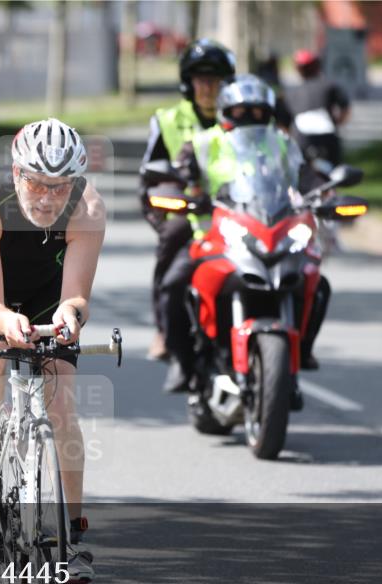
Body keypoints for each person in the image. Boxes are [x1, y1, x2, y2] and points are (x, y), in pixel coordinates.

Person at [0, 118, 106, 584]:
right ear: (16, 173)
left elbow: (76, 297)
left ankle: (71, 541)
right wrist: (1, 322)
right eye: (36, 183)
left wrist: (70, 318)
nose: (48, 198)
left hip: (47, 291)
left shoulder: (89, 208)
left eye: (61, 188)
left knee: (60, 402)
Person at [161, 75, 330, 391]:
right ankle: (182, 363)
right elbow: (176, 175)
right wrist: (180, 191)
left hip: (271, 228)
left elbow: (306, 178)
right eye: (240, 112)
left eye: (256, 112)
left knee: (318, 281)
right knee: (173, 285)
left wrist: (324, 194)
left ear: (268, 114)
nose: (248, 119)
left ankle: (303, 350)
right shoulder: (202, 143)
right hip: (211, 233)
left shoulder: (282, 144)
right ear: (226, 112)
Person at [139, 40, 236, 373]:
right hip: (186, 210)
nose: (208, 86)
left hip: (238, 213)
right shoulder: (167, 119)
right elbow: (150, 176)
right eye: (201, 78)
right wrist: (165, 211)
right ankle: (166, 332)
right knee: (174, 244)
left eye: (216, 79)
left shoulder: (242, 117)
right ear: (188, 82)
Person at [283, 49, 350, 170]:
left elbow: (284, 124)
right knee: (335, 175)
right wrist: (337, 123)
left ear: (298, 69)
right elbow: (345, 109)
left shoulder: (291, 93)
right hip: (328, 139)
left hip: (301, 139)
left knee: (300, 173)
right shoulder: (330, 85)